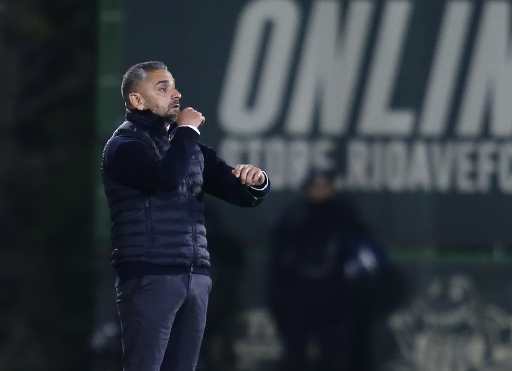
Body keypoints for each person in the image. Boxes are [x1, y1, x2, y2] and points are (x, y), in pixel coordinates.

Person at [101, 61, 270, 371]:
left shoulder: (187, 146)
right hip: (151, 274)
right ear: (137, 100)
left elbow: (240, 195)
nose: (175, 94)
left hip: (195, 275)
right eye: (162, 88)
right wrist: (187, 131)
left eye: (174, 86)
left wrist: (257, 182)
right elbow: (166, 180)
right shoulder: (124, 147)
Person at [269, 170, 394, 371]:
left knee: (335, 353)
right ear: (306, 189)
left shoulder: (345, 217)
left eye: (324, 186)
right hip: (299, 299)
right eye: (315, 186)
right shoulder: (294, 217)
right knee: (296, 354)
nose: (320, 191)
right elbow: (280, 264)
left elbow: (367, 259)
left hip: (336, 300)